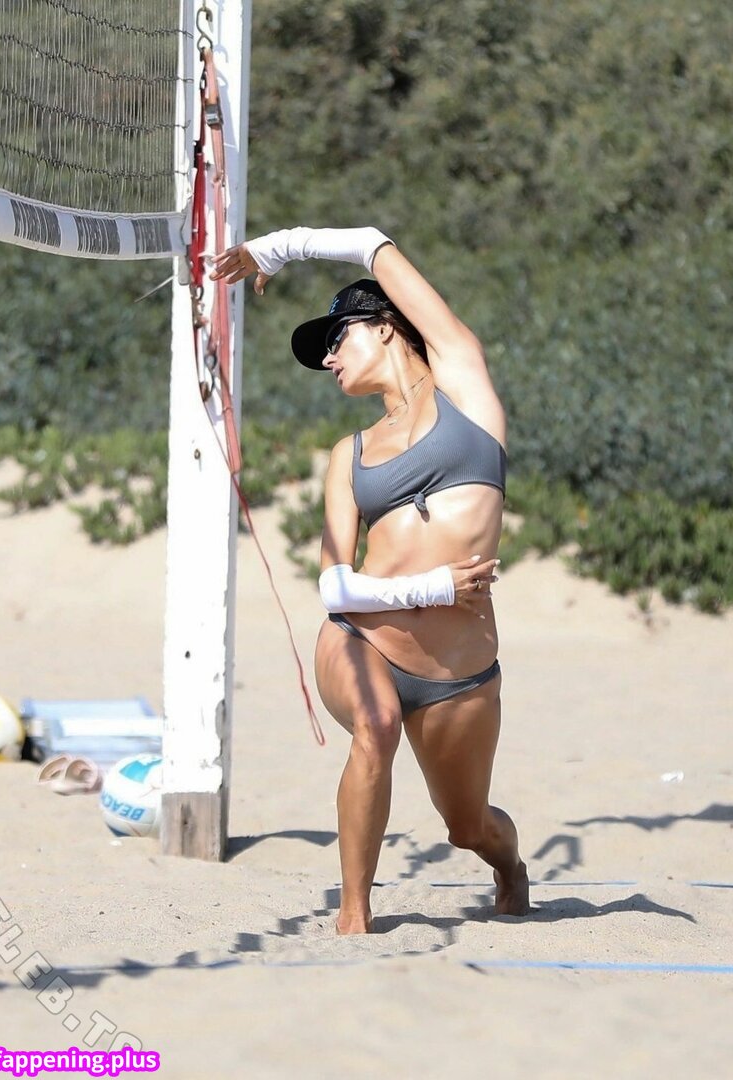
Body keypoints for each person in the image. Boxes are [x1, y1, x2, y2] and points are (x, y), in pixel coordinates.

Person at [211, 227, 530, 934]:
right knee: (377, 724)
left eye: (337, 339)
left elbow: (368, 243)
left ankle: (509, 867)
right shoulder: (347, 455)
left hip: (457, 673)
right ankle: (353, 913)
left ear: (385, 326)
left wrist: (278, 249)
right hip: (363, 641)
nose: (327, 359)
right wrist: (432, 589)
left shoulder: (466, 391)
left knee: (468, 826)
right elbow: (335, 587)